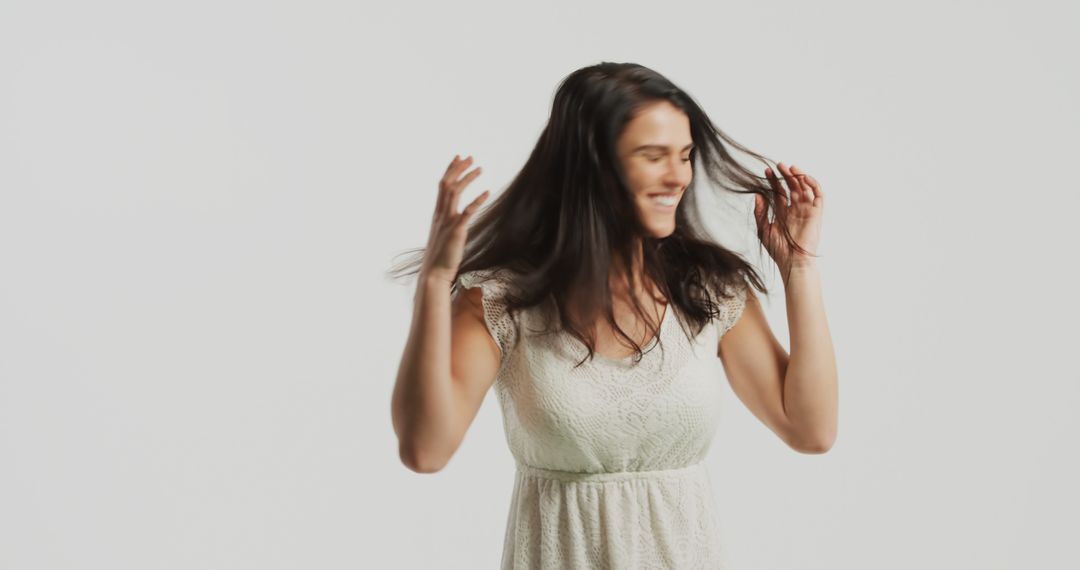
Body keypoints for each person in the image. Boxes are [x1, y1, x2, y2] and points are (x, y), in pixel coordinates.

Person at [389, 61, 838, 569]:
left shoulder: (709, 291)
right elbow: (425, 450)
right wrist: (432, 283)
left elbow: (811, 429)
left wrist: (799, 266)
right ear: (593, 167)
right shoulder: (502, 301)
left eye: (685, 156)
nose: (678, 177)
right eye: (654, 157)